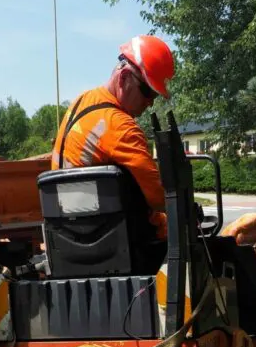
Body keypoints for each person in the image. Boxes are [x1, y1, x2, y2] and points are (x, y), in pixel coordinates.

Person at [51, 35, 175, 244]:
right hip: (110, 240)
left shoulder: (82, 101)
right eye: (147, 91)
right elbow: (161, 197)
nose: (150, 103)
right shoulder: (121, 126)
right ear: (124, 77)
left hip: (69, 234)